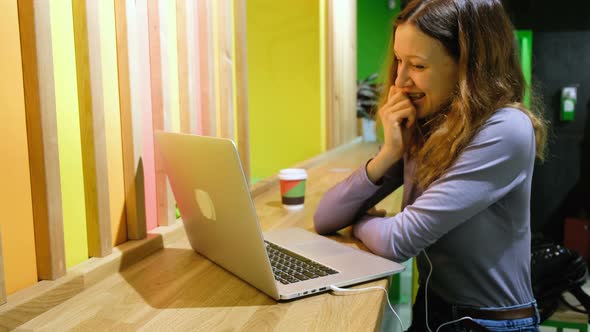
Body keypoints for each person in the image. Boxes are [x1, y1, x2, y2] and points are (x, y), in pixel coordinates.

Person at [314, 0, 548, 331]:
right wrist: (390, 152)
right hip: (433, 308)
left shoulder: (506, 128)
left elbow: (399, 241)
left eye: (419, 66)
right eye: (398, 61)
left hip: (489, 322)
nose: (401, 80)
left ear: (469, 67)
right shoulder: (426, 123)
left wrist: (358, 223)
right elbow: (325, 217)